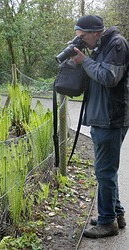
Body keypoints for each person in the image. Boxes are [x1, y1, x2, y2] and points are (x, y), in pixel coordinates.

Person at [71, 15, 129, 238]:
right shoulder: (100, 46)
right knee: (106, 171)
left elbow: (108, 77)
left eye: (83, 37)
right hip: (101, 117)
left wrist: (84, 61)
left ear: (95, 32)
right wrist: (81, 60)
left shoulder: (117, 44)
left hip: (111, 118)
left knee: (104, 171)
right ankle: (116, 214)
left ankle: (107, 223)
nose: (82, 41)